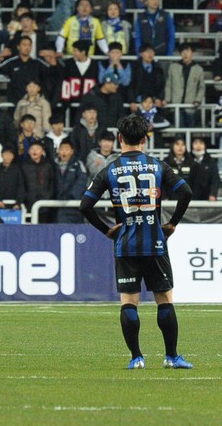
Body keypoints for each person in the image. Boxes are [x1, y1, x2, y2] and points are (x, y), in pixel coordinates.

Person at [79, 114, 194, 370]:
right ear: (145, 139)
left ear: (120, 138)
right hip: (155, 241)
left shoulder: (109, 170)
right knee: (164, 298)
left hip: (125, 245)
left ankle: (136, 357)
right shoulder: (157, 166)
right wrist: (172, 223)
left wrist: (107, 230)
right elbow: (186, 192)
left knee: (129, 302)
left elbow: (85, 205)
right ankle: (172, 356)